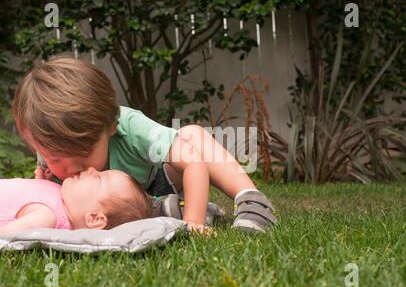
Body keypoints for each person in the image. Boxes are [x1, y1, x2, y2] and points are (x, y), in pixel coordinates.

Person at [12, 57, 277, 233]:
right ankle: (171, 209)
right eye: (55, 159)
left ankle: (251, 201)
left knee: (193, 136)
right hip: (120, 206)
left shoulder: (131, 127)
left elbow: (193, 163)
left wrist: (193, 224)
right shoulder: (49, 139)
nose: (69, 170)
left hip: (158, 180)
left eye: (82, 158)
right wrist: (44, 179)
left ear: (110, 125)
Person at [0, 167, 152, 235]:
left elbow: (10, 234)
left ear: (95, 218)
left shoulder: (48, 216)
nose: (92, 169)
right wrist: (41, 183)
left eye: (99, 177)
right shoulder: (63, 199)